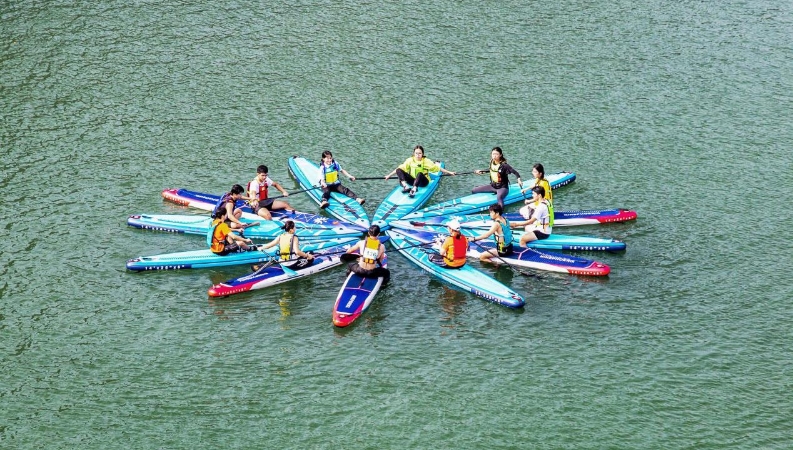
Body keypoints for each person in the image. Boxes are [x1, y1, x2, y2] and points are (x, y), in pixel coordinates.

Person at [384, 145, 456, 197]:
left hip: (423, 182)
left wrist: (450, 172)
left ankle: (414, 190)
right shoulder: (410, 160)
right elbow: (398, 170)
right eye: (416, 153)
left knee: (420, 174)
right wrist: (388, 176)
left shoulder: (426, 161)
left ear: (422, 154)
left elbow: (438, 168)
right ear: (414, 154)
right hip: (412, 181)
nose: (418, 155)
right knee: (399, 169)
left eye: (420, 153)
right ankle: (405, 186)